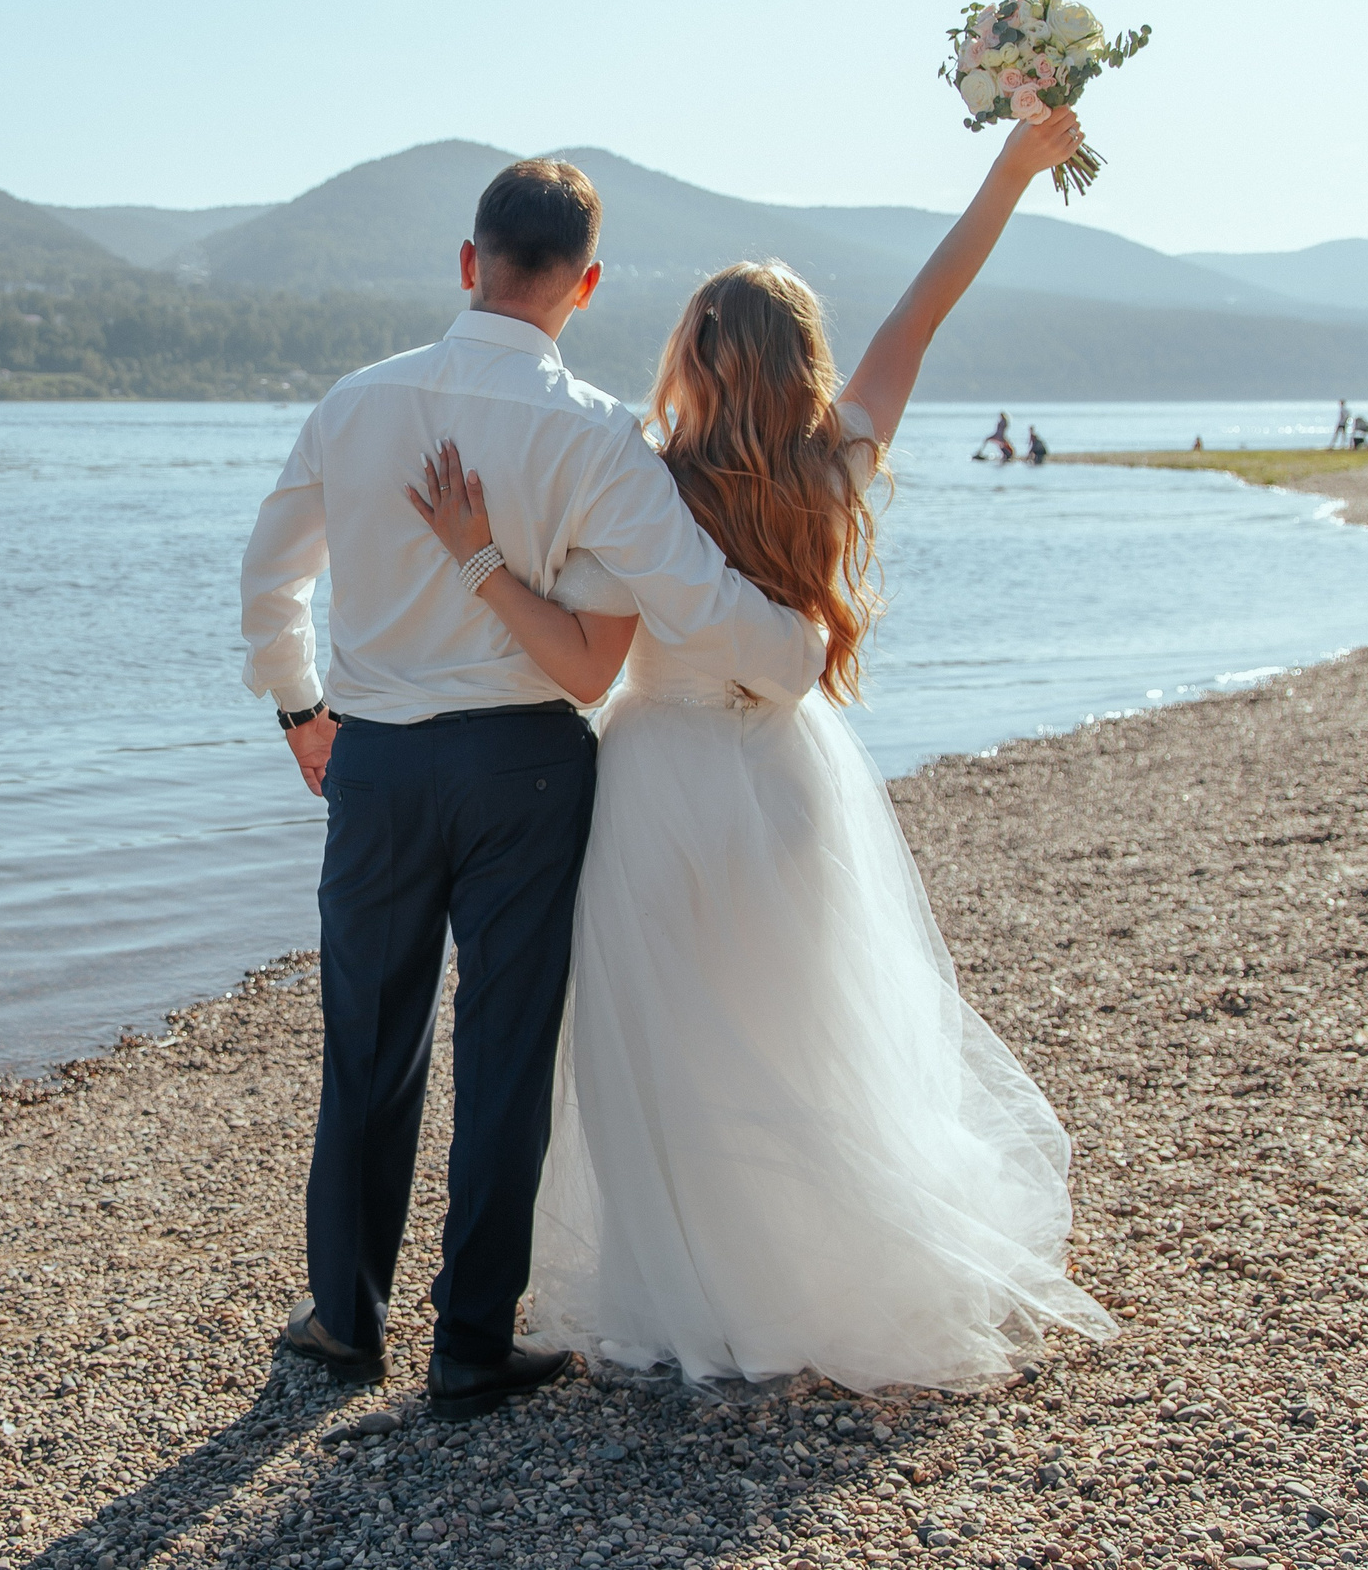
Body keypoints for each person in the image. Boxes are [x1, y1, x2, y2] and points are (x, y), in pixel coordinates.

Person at [407, 108, 1115, 1391]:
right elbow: (927, 308)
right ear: (804, 364)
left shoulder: (641, 480)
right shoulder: (833, 461)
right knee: (798, 1040)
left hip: (658, 783)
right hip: (790, 780)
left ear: (686, 352)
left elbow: (586, 656)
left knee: (659, 1057)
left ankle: (692, 1298)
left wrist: (470, 560)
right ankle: (801, 1282)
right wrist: (1009, 170)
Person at [239, 160, 823, 1420]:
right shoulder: (599, 433)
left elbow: (269, 581)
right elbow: (689, 595)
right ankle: (467, 1344)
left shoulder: (355, 403)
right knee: (505, 1055)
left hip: (380, 762)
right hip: (525, 764)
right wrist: (795, 652)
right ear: (588, 285)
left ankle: (346, 1320)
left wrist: (299, 709)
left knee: (368, 1044)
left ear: (468, 261)